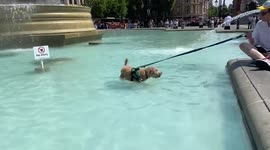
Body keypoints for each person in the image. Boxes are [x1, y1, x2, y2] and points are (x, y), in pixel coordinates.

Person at [239, 0, 270, 70]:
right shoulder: (260, 24)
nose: (260, 15)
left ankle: (263, 60)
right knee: (243, 45)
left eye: (263, 13)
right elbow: (255, 43)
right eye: (261, 12)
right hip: (263, 53)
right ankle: (265, 61)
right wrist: (251, 38)